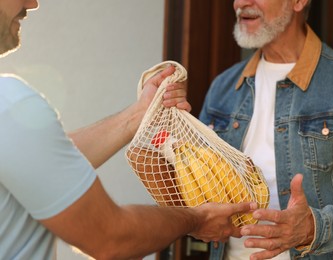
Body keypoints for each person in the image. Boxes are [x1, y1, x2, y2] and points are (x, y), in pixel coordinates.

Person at [0, 1, 258, 259]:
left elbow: (44, 161)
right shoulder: (8, 104)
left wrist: (139, 114)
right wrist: (197, 219)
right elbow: (110, 237)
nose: (32, 3)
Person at [199, 0, 333, 259]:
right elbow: (191, 187)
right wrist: (165, 118)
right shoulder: (222, 87)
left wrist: (312, 228)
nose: (241, 3)